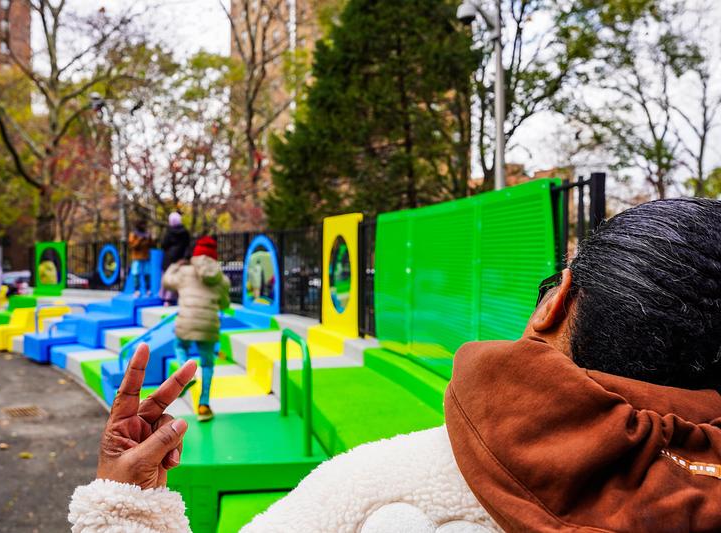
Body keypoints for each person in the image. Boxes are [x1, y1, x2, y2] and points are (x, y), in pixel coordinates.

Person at [69, 198, 721, 532]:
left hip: (187, 332)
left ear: (557, 306)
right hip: (206, 330)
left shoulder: (378, 487)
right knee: (205, 366)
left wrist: (128, 507)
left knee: (196, 366)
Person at [161, 236, 229, 422]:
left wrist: (175, 265)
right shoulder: (221, 279)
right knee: (207, 364)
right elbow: (224, 304)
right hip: (209, 326)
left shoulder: (184, 272)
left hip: (187, 323)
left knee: (180, 346)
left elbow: (167, 281)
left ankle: (187, 375)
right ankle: (204, 405)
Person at [160, 212, 191, 306]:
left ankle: (164, 297)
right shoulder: (185, 232)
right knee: (177, 277)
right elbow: (188, 245)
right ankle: (173, 298)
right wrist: (185, 257)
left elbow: (164, 244)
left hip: (169, 257)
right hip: (180, 257)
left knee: (166, 276)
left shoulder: (169, 232)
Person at [128, 220, 155, 296]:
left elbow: (152, 245)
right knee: (136, 273)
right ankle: (136, 290)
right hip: (136, 257)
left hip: (146, 257)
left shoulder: (147, 234)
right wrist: (139, 240)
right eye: (142, 225)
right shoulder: (133, 234)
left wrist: (149, 239)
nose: (144, 226)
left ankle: (148, 289)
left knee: (147, 273)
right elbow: (132, 246)